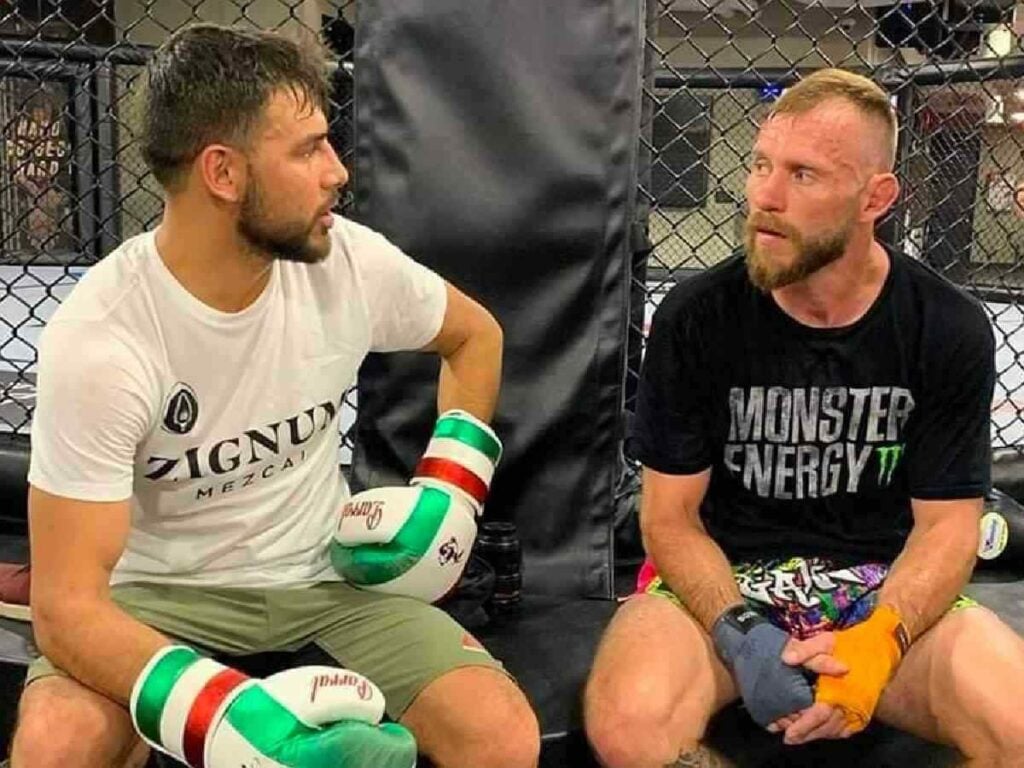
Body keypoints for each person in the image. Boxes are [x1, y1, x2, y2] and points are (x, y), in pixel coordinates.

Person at [9, 23, 540, 768]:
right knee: (55, 749)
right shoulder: (103, 339)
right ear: (223, 174)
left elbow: (475, 336)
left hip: (322, 576)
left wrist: (452, 485)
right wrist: (221, 713)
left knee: (500, 740)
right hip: (160, 595)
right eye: (308, 149)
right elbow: (65, 610)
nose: (338, 173)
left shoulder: (347, 263)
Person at [584, 68, 1024, 767]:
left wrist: (883, 636)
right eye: (761, 165)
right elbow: (669, 518)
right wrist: (738, 633)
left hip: (883, 588)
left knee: (1018, 724)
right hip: (726, 584)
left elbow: (948, 527)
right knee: (629, 722)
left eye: (803, 175)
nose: (762, 195)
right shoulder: (698, 317)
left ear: (874, 197)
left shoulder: (945, 326)